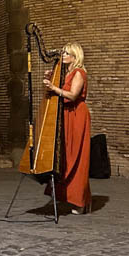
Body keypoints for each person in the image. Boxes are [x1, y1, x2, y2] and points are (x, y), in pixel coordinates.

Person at [42, 42, 92, 215]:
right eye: (62, 53)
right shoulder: (65, 73)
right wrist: (50, 81)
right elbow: (56, 93)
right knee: (65, 156)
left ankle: (81, 202)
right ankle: (66, 195)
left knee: (76, 156)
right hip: (66, 115)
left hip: (77, 115)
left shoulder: (79, 73)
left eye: (66, 53)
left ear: (74, 56)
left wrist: (55, 88)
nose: (62, 56)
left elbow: (73, 95)